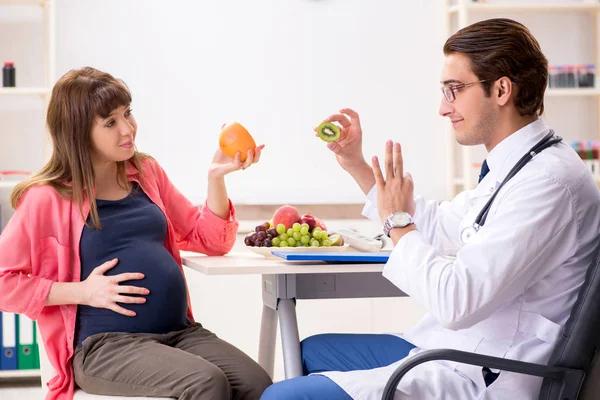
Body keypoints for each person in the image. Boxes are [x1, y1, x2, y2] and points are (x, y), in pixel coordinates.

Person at [261, 18, 600, 400]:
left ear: (502, 89)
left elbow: (456, 302)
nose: (443, 108)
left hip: (490, 372)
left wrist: (398, 224)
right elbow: (443, 224)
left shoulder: (547, 183)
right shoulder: (520, 166)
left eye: (454, 90)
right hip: (465, 348)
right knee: (312, 351)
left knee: (282, 396)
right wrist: (356, 164)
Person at [0, 67, 272, 400]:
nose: (128, 129)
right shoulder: (49, 198)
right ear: (78, 132)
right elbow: (4, 281)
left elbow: (211, 241)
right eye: (110, 122)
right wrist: (81, 292)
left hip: (179, 333)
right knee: (206, 383)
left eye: (127, 114)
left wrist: (216, 179)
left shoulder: (147, 173)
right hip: (106, 346)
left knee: (258, 384)